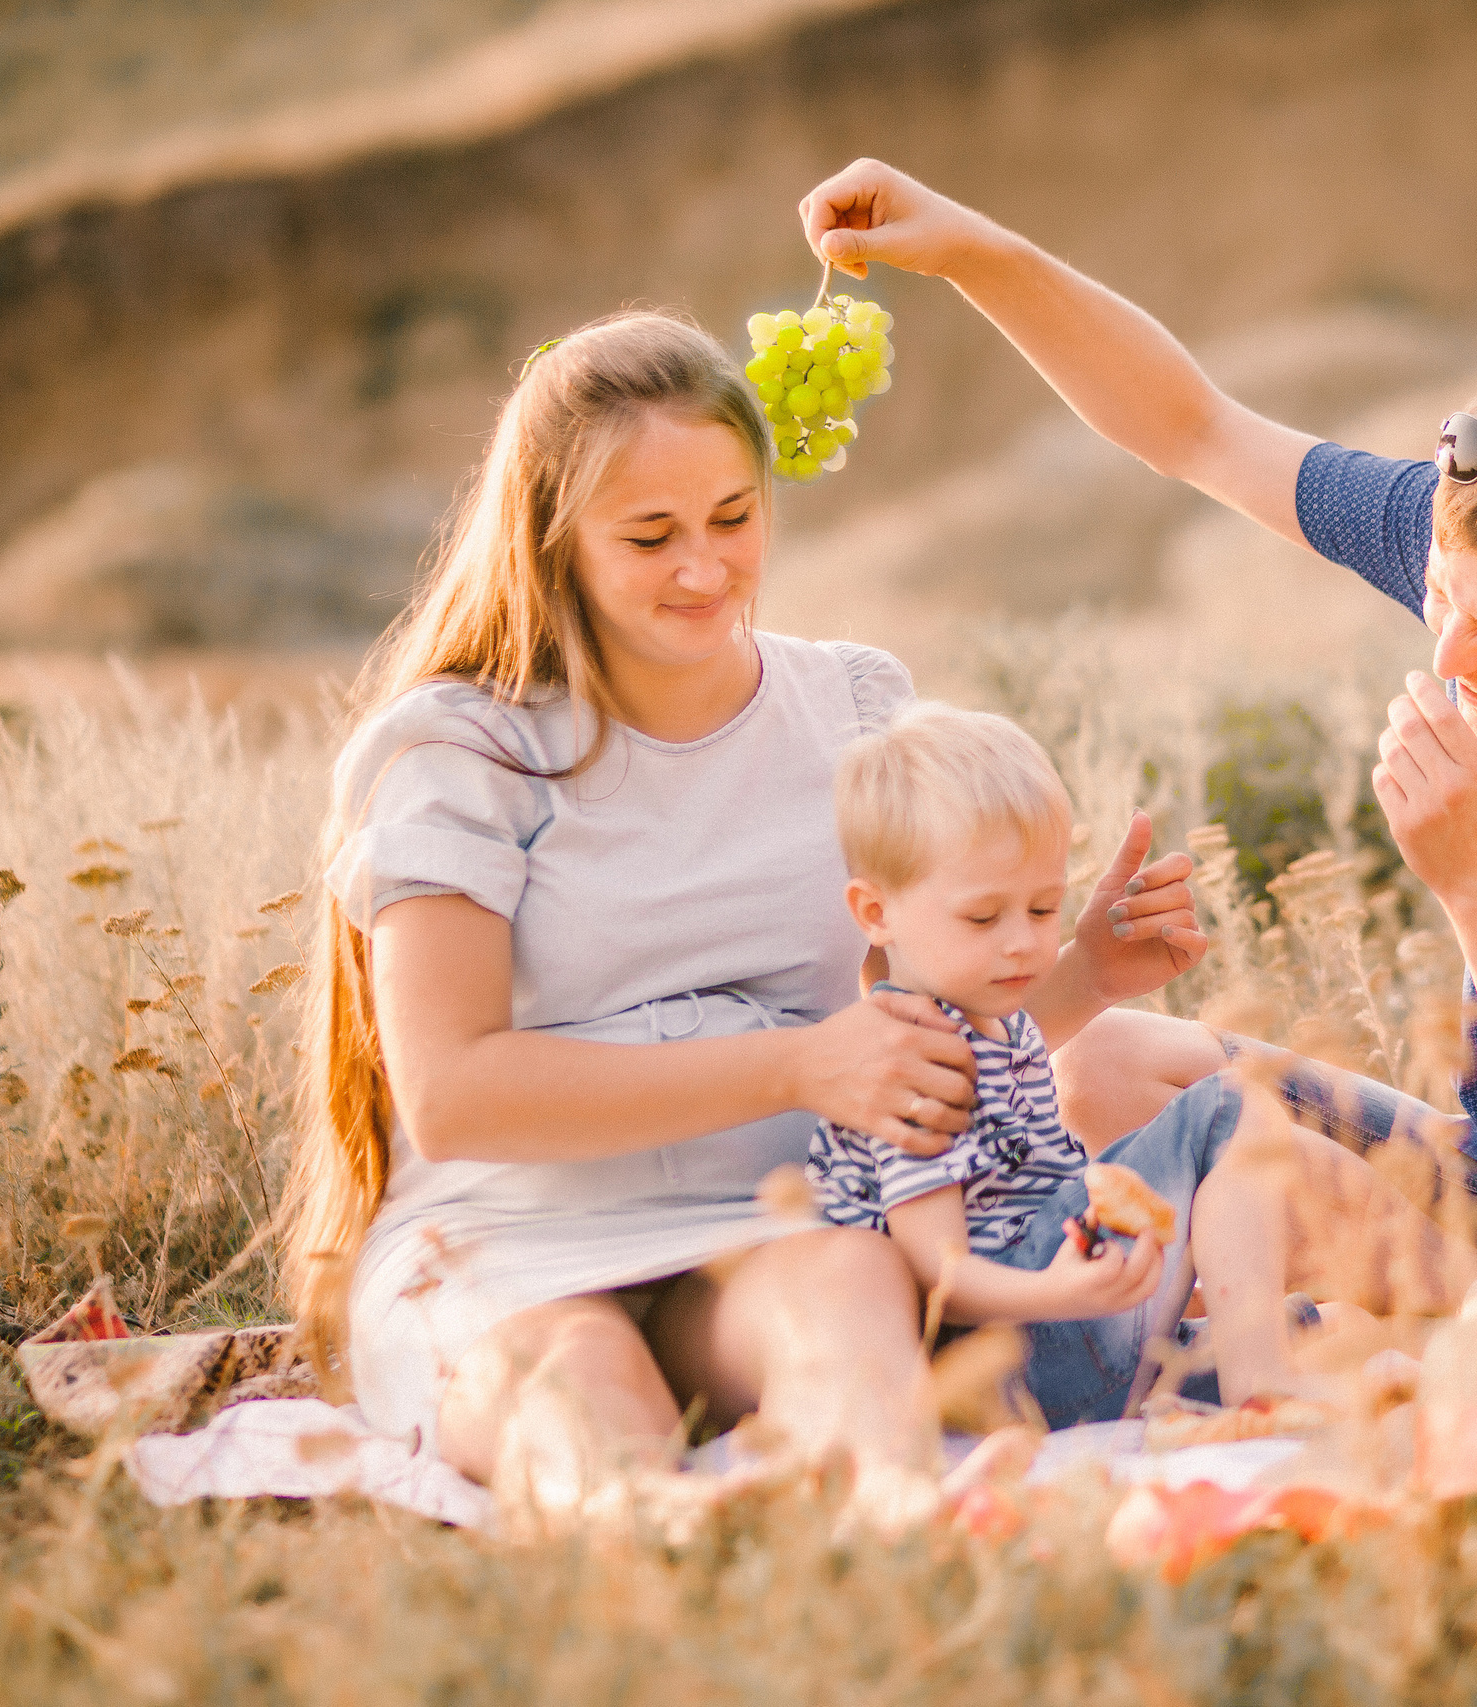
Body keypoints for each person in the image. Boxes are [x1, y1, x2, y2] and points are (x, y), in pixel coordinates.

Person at [792, 162, 1477, 1299]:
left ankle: (1440, 1339)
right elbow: (1193, 428)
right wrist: (969, 248)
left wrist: (1476, 880)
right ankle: (1412, 1333)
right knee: (1104, 1062)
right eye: (1440, 602)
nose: (1449, 656)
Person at [277, 310, 1211, 1518]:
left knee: (847, 1289)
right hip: (506, 1242)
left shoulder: (854, 709)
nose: (706, 568)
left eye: (733, 518)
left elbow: (910, 1050)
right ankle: (659, 1543)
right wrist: (798, 1064)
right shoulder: (463, 751)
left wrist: (1077, 975)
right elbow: (453, 1098)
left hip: (773, 1221)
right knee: (583, 1387)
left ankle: (900, 1530)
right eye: (650, 535)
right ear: (554, 542)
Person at [806, 701, 1396, 1421]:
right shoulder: (906, 1060)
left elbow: (1036, 1189)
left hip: (1065, 1326)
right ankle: (1260, 1380)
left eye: (1044, 907)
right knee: (1228, 1105)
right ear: (875, 913)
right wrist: (1061, 1290)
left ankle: (1260, 1357)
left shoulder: (999, 1026)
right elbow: (941, 1275)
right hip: (1010, 1349)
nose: (1023, 943)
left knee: (1341, 1329)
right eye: (984, 917)